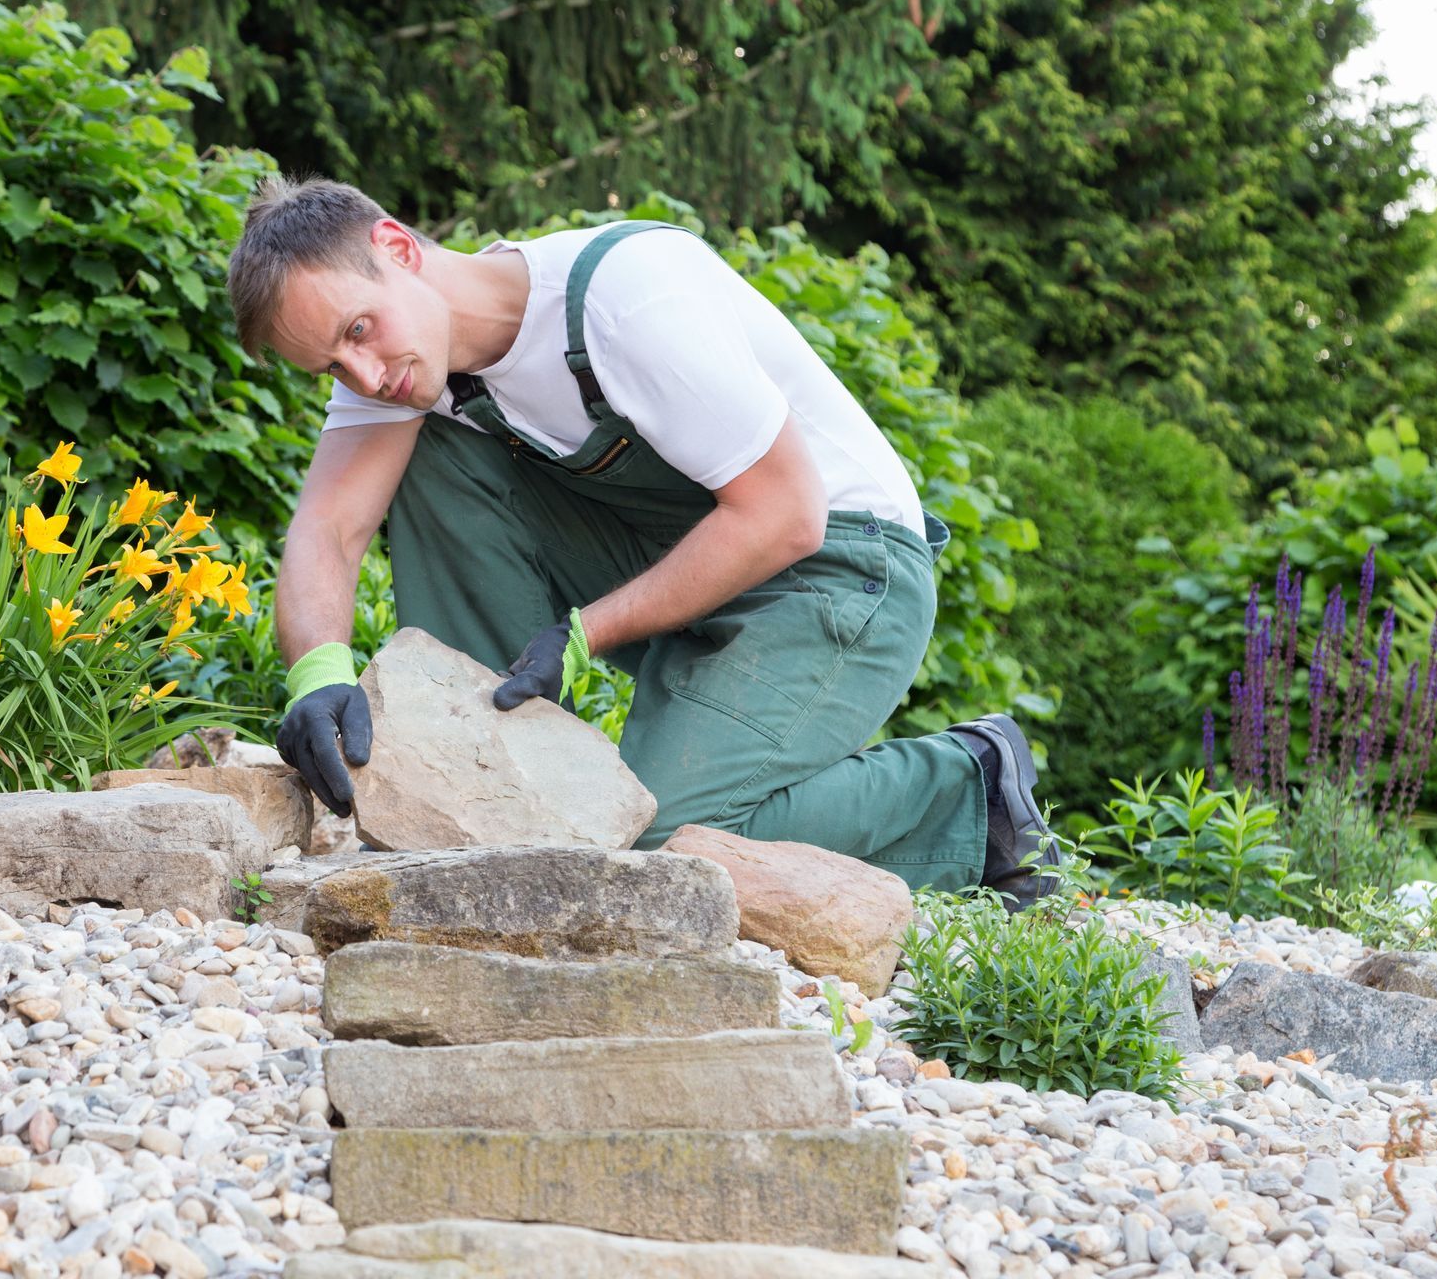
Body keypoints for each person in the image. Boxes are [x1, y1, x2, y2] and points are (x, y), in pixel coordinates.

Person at [225, 173, 1060, 909]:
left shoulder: (626, 298)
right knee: (433, 446)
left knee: (663, 840)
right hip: (696, 561)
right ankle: (491, 801)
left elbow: (786, 514)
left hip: (842, 568)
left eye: (359, 331)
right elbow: (327, 529)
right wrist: (318, 676)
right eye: (332, 367)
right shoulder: (410, 372)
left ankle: (966, 790)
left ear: (397, 248)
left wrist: (586, 635)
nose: (366, 377)